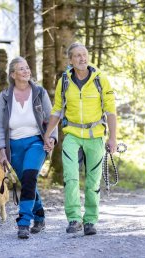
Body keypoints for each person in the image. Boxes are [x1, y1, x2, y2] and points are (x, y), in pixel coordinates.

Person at [44, 42, 117, 236]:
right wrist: (48, 133)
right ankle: (74, 219)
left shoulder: (100, 79)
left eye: (84, 54)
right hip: (72, 135)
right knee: (70, 178)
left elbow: (110, 111)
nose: (82, 58)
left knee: (93, 181)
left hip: (95, 136)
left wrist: (113, 138)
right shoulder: (65, 80)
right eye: (77, 55)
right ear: (70, 60)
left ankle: (90, 221)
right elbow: (57, 110)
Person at [0, 56, 58, 239]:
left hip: (36, 143)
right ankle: (40, 215)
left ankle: (23, 222)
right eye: (21, 69)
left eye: (27, 68)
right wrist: (2, 151)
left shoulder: (39, 92)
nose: (26, 71)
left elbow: (50, 119)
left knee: (30, 177)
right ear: (13, 74)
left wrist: (52, 137)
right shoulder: (5, 96)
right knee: (28, 183)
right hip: (13, 146)